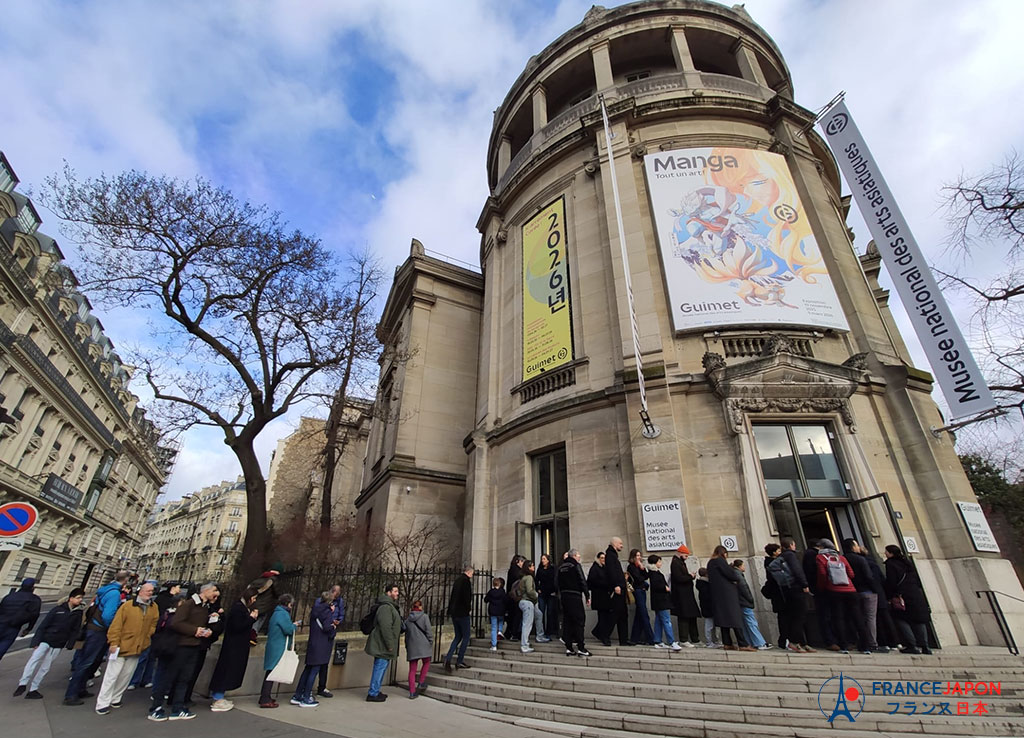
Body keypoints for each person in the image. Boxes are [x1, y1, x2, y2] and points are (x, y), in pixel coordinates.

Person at [148, 582, 219, 721]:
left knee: (185, 678)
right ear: (206, 591)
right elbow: (176, 623)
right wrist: (195, 631)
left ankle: (178, 707)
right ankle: (156, 708)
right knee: (169, 677)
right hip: (180, 646)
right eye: (214, 591)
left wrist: (208, 629)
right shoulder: (189, 604)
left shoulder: (205, 607)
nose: (217, 594)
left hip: (194, 646)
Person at [65, 570, 130, 705]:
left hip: (93, 628)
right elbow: (108, 615)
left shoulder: (105, 590)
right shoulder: (114, 593)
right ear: (125, 580)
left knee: (90, 661)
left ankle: (80, 689)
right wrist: (112, 628)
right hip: (99, 631)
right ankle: (71, 694)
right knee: (87, 661)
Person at [95, 581, 159, 714]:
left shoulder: (153, 607)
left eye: (152, 591)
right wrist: (113, 642)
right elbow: (116, 625)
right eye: (148, 590)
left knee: (126, 675)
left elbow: (154, 623)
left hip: (138, 646)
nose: (150, 593)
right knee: (112, 675)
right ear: (140, 591)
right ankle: (102, 702)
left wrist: (147, 636)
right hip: (121, 645)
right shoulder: (128, 606)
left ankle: (116, 698)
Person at [14, 587, 85, 699]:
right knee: (34, 659)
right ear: (71, 598)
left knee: (45, 667)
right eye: (78, 598)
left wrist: (71, 643)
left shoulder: (78, 613)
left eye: (81, 598)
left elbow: (75, 630)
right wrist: (36, 641)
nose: (80, 600)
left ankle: (33, 688)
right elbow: (43, 625)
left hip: (59, 643)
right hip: (46, 639)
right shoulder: (57, 609)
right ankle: (23, 683)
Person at [207, 587, 259, 712]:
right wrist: (251, 618)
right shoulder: (238, 608)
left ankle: (219, 695)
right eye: (254, 598)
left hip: (236, 645)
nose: (255, 600)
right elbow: (238, 626)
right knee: (226, 670)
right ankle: (217, 698)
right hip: (234, 646)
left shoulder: (240, 607)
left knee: (228, 670)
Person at [883, 545, 932, 654]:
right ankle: (925, 646)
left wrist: (890, 596)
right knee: (919, 620)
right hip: (915, 594)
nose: (885, 553)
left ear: (891, 553)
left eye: (886, 551)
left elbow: (891, 582)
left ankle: (912, 645)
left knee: (901, 619)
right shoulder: (907, 563)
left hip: (901, 596)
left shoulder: (891, 564)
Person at [291, 591, 336, 707]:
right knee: (314, 670)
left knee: (308, 669)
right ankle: (306, 697)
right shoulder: (327, 612)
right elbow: (327, 628)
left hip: (313, 642)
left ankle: (298, 694)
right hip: (322, 644)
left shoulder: (315, 610)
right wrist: (333, 627)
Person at [767, 538, 813, 653]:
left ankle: (802, 642)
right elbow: (797, 571)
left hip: (787, 590)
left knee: (796, 615)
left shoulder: (781, 558)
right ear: (791, 545)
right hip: (796, 588)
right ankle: (795, 641)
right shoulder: (790, 556)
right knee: (800, 615)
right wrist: (804, 584)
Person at [814, 539, 860, 653]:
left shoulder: (820, 558)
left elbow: (822, 574)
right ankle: (864, 644)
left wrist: (822, 587)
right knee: (856, 617)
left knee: (838, 617)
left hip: (833, 590)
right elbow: (851, 574)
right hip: (850, 590)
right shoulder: (841, 557)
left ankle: (843, 644)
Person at [707, 546, 754, 651]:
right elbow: (731, 574)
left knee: (724, 620)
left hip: (717, 595)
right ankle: (743, 644)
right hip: (727, 594)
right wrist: (733, 573)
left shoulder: (710, 563)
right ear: (724, 553)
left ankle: (727, 643)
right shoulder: (720, 561)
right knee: (735, 618)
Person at [258, 594, 299, 709]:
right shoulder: (282, 614)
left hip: (274, 644)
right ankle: (265, 698)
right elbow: (288, 629)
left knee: (270, 672)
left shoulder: (277, 612)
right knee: (271, 673)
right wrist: (294, 626)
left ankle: (265, 696)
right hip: (278, 646)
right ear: (288, 603)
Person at [364, 584, 402, 702]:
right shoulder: (386, 607)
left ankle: (375, 690)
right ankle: (373, 692)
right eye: (395, 591)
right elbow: (385, 627)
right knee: (380, 667)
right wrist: (390, 644)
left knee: (381, 667)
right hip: (383, 644)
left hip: (383, 643)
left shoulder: (389, 606)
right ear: (388, 593)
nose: (397, 594)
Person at [842, 538, 880, 654]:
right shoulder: (861, 559)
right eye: (857, 545)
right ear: (853, 547)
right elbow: (868, 576)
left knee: (854, 617)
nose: (858, 547)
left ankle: (856, 640)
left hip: (851, 591)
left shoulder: (842, 559)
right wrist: (875, 589)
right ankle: (871, 643)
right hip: (867, 591)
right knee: (870, 618)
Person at [557, 549, 591, 657]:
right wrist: (587, 595)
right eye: (578, 555)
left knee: (567, 621)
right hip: (575, 595)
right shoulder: (575, 565)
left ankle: (569, 647)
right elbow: (582, 580)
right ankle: (581, 647)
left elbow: (557, 582)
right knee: (579, 620)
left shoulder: (561, 567)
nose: (579, 557)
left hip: (564, 596)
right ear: (574, 556)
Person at [802, 539, 834, 648]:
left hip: (820, 589)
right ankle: (832, 640)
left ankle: (830, 640)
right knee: (828, 615)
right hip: (827, 588)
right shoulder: (817, 556)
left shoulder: (811, 555)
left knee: (825, 615)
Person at [0, 577, 42, 661]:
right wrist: (28, 629)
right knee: (2, 648)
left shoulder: (9, 596)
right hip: (13, 627)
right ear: (32, 587)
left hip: (1, 622)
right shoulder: (35, 599)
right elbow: (34, 615)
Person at [731, 559, 769, 649]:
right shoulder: (738, 575)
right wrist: (750, 599)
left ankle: (750, 642)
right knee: (751, 622)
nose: (744, 567)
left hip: (739, 602)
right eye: (743, 565)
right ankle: (759, 643)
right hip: (744, 601)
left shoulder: (734, 574)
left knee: (745, 623)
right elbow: (744, 588)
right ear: (739, 566)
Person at [315, 584, 344, 698]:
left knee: (324, 663)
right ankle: (312, 689)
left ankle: (322, 686)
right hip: (323, 632)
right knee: (316, 664)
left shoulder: (339, 602)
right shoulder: (321, 602)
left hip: (330, 632)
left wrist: (338, 621)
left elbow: (341, 613)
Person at [647, 555, 681, 650]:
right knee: (666, 621)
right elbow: (656, 585)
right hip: (661, 601)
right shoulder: (654, 573)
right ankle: (671, 642)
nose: (661, 563)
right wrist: (664, 587)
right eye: (659, 561)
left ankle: (658, 640)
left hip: (659, 601)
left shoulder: (655, 573)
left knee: (659, 621)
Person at [444, 564, 474, 671]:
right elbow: (467, 598)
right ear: (469, 572)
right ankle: (459, 661)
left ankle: (448, 658)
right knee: (466, 636)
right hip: (462, 613)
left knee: (457, 637)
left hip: (454, 612)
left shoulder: (457, 581)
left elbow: (452, 597)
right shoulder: (466, 582)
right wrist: (468, 609)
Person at [669, 545, 700, 646]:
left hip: (686, 594)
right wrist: (689, 576)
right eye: (686, 555)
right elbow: (679, 578)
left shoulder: (680, 563)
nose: (686, 558)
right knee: (684, 617)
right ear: (680, 553)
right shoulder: (675, 563)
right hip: (681, 595)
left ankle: (695, 638)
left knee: (691, 616)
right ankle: (684, 639)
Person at [604, 537, 632, 646]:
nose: (622, 545)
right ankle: (605, 635)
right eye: (620, 543)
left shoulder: (613, 555)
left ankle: (623, 639)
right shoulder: (610, 556)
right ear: (615, 544)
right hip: (618, 589)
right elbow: (611, 572)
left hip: (621, 587)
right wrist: (616, 585)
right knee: (615, 614)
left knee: (622, 615)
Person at [518, 559, 550, 653]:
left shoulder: (523, 578)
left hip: (528, 602)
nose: (534, 567)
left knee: (539, 615)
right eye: (532, 566)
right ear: (528, 567)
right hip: (528, 602)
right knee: (527, 623)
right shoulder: (528, 577)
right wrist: (536, 595)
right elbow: (529, 590)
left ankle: (540, 635)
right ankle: (524, 644)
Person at [404, 600, 432, 698]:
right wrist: (430, 641)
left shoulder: (407, 620)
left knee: (412, 670)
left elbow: (406, 635)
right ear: (420, 607)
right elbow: (428, 631)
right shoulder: (424, 617)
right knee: (427, 661)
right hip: (424, 644)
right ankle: (421, 681)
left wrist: (407, 646)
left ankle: (412, 692)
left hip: (412, 646)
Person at [626, 549, 655, 645]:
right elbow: (638, 579)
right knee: (644, 614)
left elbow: (646, 576)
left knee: (639, 615)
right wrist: (642, 577)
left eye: (640, 555)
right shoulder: (631, 567)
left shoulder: (639, 566)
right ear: (633, 557)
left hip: (642, 590)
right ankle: (651, 638)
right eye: (637, 556)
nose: (639, 557)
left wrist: (643, 569)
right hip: (637, 590)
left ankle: (634, 638)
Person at [587, 551, 612, 645]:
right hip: (599, 596)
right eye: (601, 558)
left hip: (605, 596)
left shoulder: (604, 568)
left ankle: (598, 632)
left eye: (604, 558)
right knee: (602, 617)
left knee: (606, 616)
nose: (603, 560)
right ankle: (603, 636)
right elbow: (591, 582)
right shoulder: (595, 568)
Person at [248, 570, 281, 636]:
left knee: (252, 617)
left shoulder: (258, 580)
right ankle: (252, 634)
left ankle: (247, 632)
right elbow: (276, 592)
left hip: (254, 602)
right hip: (265, 604)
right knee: (261, 618)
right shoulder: (273, 580)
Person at [536, 554, 560, 640]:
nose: (542, 560)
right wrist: (538, 589)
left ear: (548, 560)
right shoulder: (540, 569)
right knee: (541, 613)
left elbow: (556, 579)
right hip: (542, 593)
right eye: (542, 559)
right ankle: (540, 631)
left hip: (551, 593)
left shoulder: (553, 569)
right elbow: (536, 580)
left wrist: (555, 590)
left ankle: (549, 631)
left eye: (544, 559)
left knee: (550, 613)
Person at [695, 568, 719, 648]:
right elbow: (708, 596)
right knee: (709, 626)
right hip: (709, 607)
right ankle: (709, 641)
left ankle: (714, 641)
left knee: (711, 625)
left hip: (707, 607)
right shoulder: (705, 584)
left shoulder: (702, 583)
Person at [504, 555, 525, 640]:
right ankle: (514, 633)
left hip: (511, 596)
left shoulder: (512, 570)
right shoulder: (517, 571)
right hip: (516, 596)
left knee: (512, 615)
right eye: (522, 562)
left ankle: (509, 633)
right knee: (516, 615)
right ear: (518, 562)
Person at [484, 577, 507, 651]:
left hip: (493, 611)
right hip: (501, 611)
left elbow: (485, 600)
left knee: (493, 628)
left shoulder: (491, 592)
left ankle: (494, 645)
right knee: (501, 621)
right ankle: (500, 631)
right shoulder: (502, 591)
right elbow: (505, 600)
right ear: (500, 584)